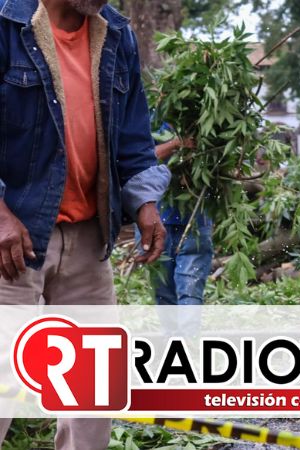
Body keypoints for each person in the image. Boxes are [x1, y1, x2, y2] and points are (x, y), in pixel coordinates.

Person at [0, 0, 169, 448]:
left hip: (89, 236)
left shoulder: (116, 34)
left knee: (93, 390)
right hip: (12, 239)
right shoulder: (5, 26)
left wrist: (145, 202)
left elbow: (134, 136)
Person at [144, 124, 213, 334]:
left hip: (195, 218)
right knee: (163, 289)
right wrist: (176, 145)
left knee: (190, 287)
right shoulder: (149, 117)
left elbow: (229, 166)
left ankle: (189, 343)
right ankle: (173, 341)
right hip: (154, 218)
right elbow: (138, 160)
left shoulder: (205, 121)